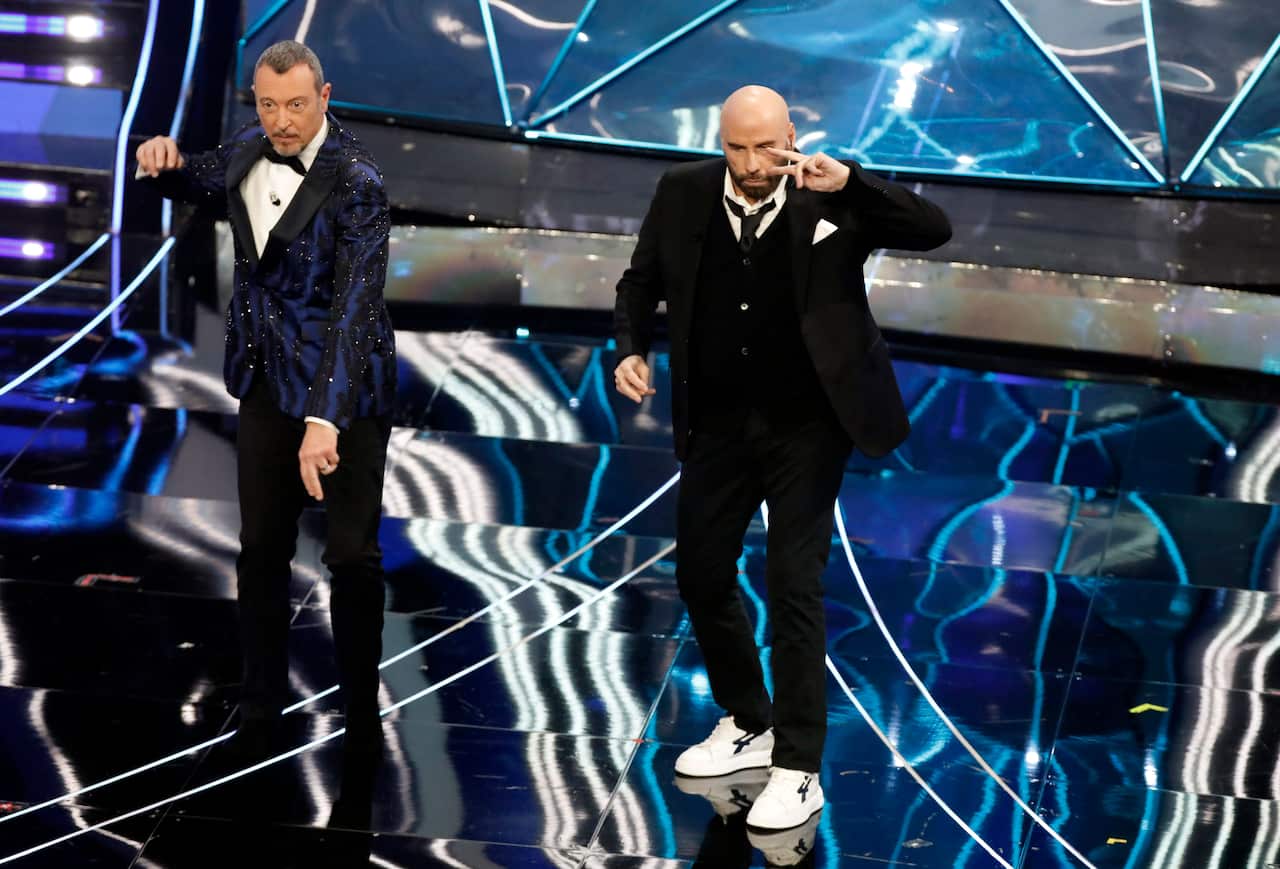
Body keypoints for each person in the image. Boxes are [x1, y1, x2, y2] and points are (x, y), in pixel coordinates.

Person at [613, 85, 950, 831]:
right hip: (720, 422)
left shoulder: (827, 191)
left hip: (809, 422)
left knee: (794, 580)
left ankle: (798, 766)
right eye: (737, 148)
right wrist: (630, 347)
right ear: (719, 140)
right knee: (700, 571)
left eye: (767, 147)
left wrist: (855, 183)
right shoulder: (684, 191)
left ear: (792, 137)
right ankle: (748, 717)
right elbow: (641, 281)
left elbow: (934, 227)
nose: (752, 164)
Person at [135, 41, 396, 786]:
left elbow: (354, 310)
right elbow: (201, 178)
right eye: (268, 103)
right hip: (265, 380)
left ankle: (361, 712)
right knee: (260, 548)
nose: (281, 121)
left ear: (325, 96)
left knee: (350, 556)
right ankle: (259, 705)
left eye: (295, 104)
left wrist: (327, 419)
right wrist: (167, 162)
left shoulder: (359, 181)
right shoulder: (251, 146)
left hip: (346, 393)